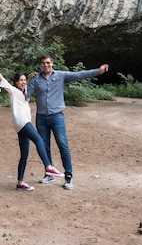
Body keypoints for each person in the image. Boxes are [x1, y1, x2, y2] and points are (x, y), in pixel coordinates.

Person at [27, 54, 109, 190]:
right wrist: (28, 79)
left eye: (48, 63)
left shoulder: (61, 76)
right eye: (43, 63)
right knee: (44, 145)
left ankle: (68, 176)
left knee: (62, 144)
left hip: (57, 116)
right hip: (41, 117)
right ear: (41, 65)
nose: (46, 65)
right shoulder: (36, 79)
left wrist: (98, 71)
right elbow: (27, 95)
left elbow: (79, 75)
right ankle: (49, 173)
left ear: (52, 63)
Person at [0, 55, 64, 191]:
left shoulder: (24, 93)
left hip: (20, 125)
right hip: (22, 122)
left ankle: (20, 182)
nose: (23, 82)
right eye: (20, 80)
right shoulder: (14, 91)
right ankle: (48, 167)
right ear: (16, 82)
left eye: (24, 80)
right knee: (39, 140)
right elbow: (2, 80)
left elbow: (27, 88)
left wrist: (29, 79)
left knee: (24, 154)